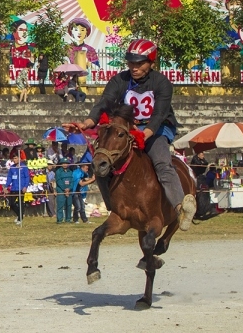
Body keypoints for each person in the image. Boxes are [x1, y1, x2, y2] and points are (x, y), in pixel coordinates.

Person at [66, 38, 195, 228]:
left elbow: (159, 114)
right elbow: (104, 104)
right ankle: (114, 206)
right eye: (131, 62)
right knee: (101, 163)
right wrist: (86, 123)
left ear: (151, 62)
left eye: (139, 63)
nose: (134, 67)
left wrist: (145, 135)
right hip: (126, 129)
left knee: (162, 162)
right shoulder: (119, 80)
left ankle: (179, 208)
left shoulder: (162, 83)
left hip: (156, 129)